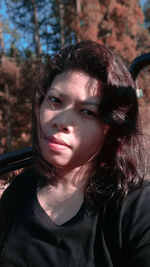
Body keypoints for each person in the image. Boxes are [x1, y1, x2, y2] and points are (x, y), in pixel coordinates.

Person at [0, 41, 150, 267]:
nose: (61, 121)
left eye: (87, 112)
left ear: (110, 129)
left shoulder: (136, 208)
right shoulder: (18, 191)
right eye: (55, 100)